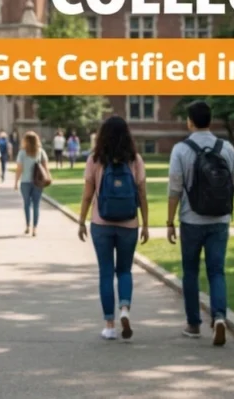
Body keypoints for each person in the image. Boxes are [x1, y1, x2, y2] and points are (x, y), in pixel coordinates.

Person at [166, 100, 234, 346]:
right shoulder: (226, 148)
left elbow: (174, 189)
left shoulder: (180, 149)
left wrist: (169, 221)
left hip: (191, 220)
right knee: (216, 271)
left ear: (190, 121)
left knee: (190, 272)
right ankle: (219, 317)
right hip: (219, 220)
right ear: (211, 121)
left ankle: (193, 324)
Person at [78, 116, 148, 341]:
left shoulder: (95, 160)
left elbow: (88, 195)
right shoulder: (135, 160)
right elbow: (142, 195)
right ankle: (125, 309)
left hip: (102, 224)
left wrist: (80, 221)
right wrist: (145, 223)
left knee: (106, 272)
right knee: (125, 270)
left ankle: (109, 325)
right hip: (129, 224)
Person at [13, 131, 49, 236]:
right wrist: (47, 179)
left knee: (26, 204)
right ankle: (35, 228)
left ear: (26, 141)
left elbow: (19, 169)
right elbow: (45, 168)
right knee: (36, 205)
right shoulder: (41, 152)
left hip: (25, 182)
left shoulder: (22, 153)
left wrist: (16, 182)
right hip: (38, 182)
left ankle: (28, 226)